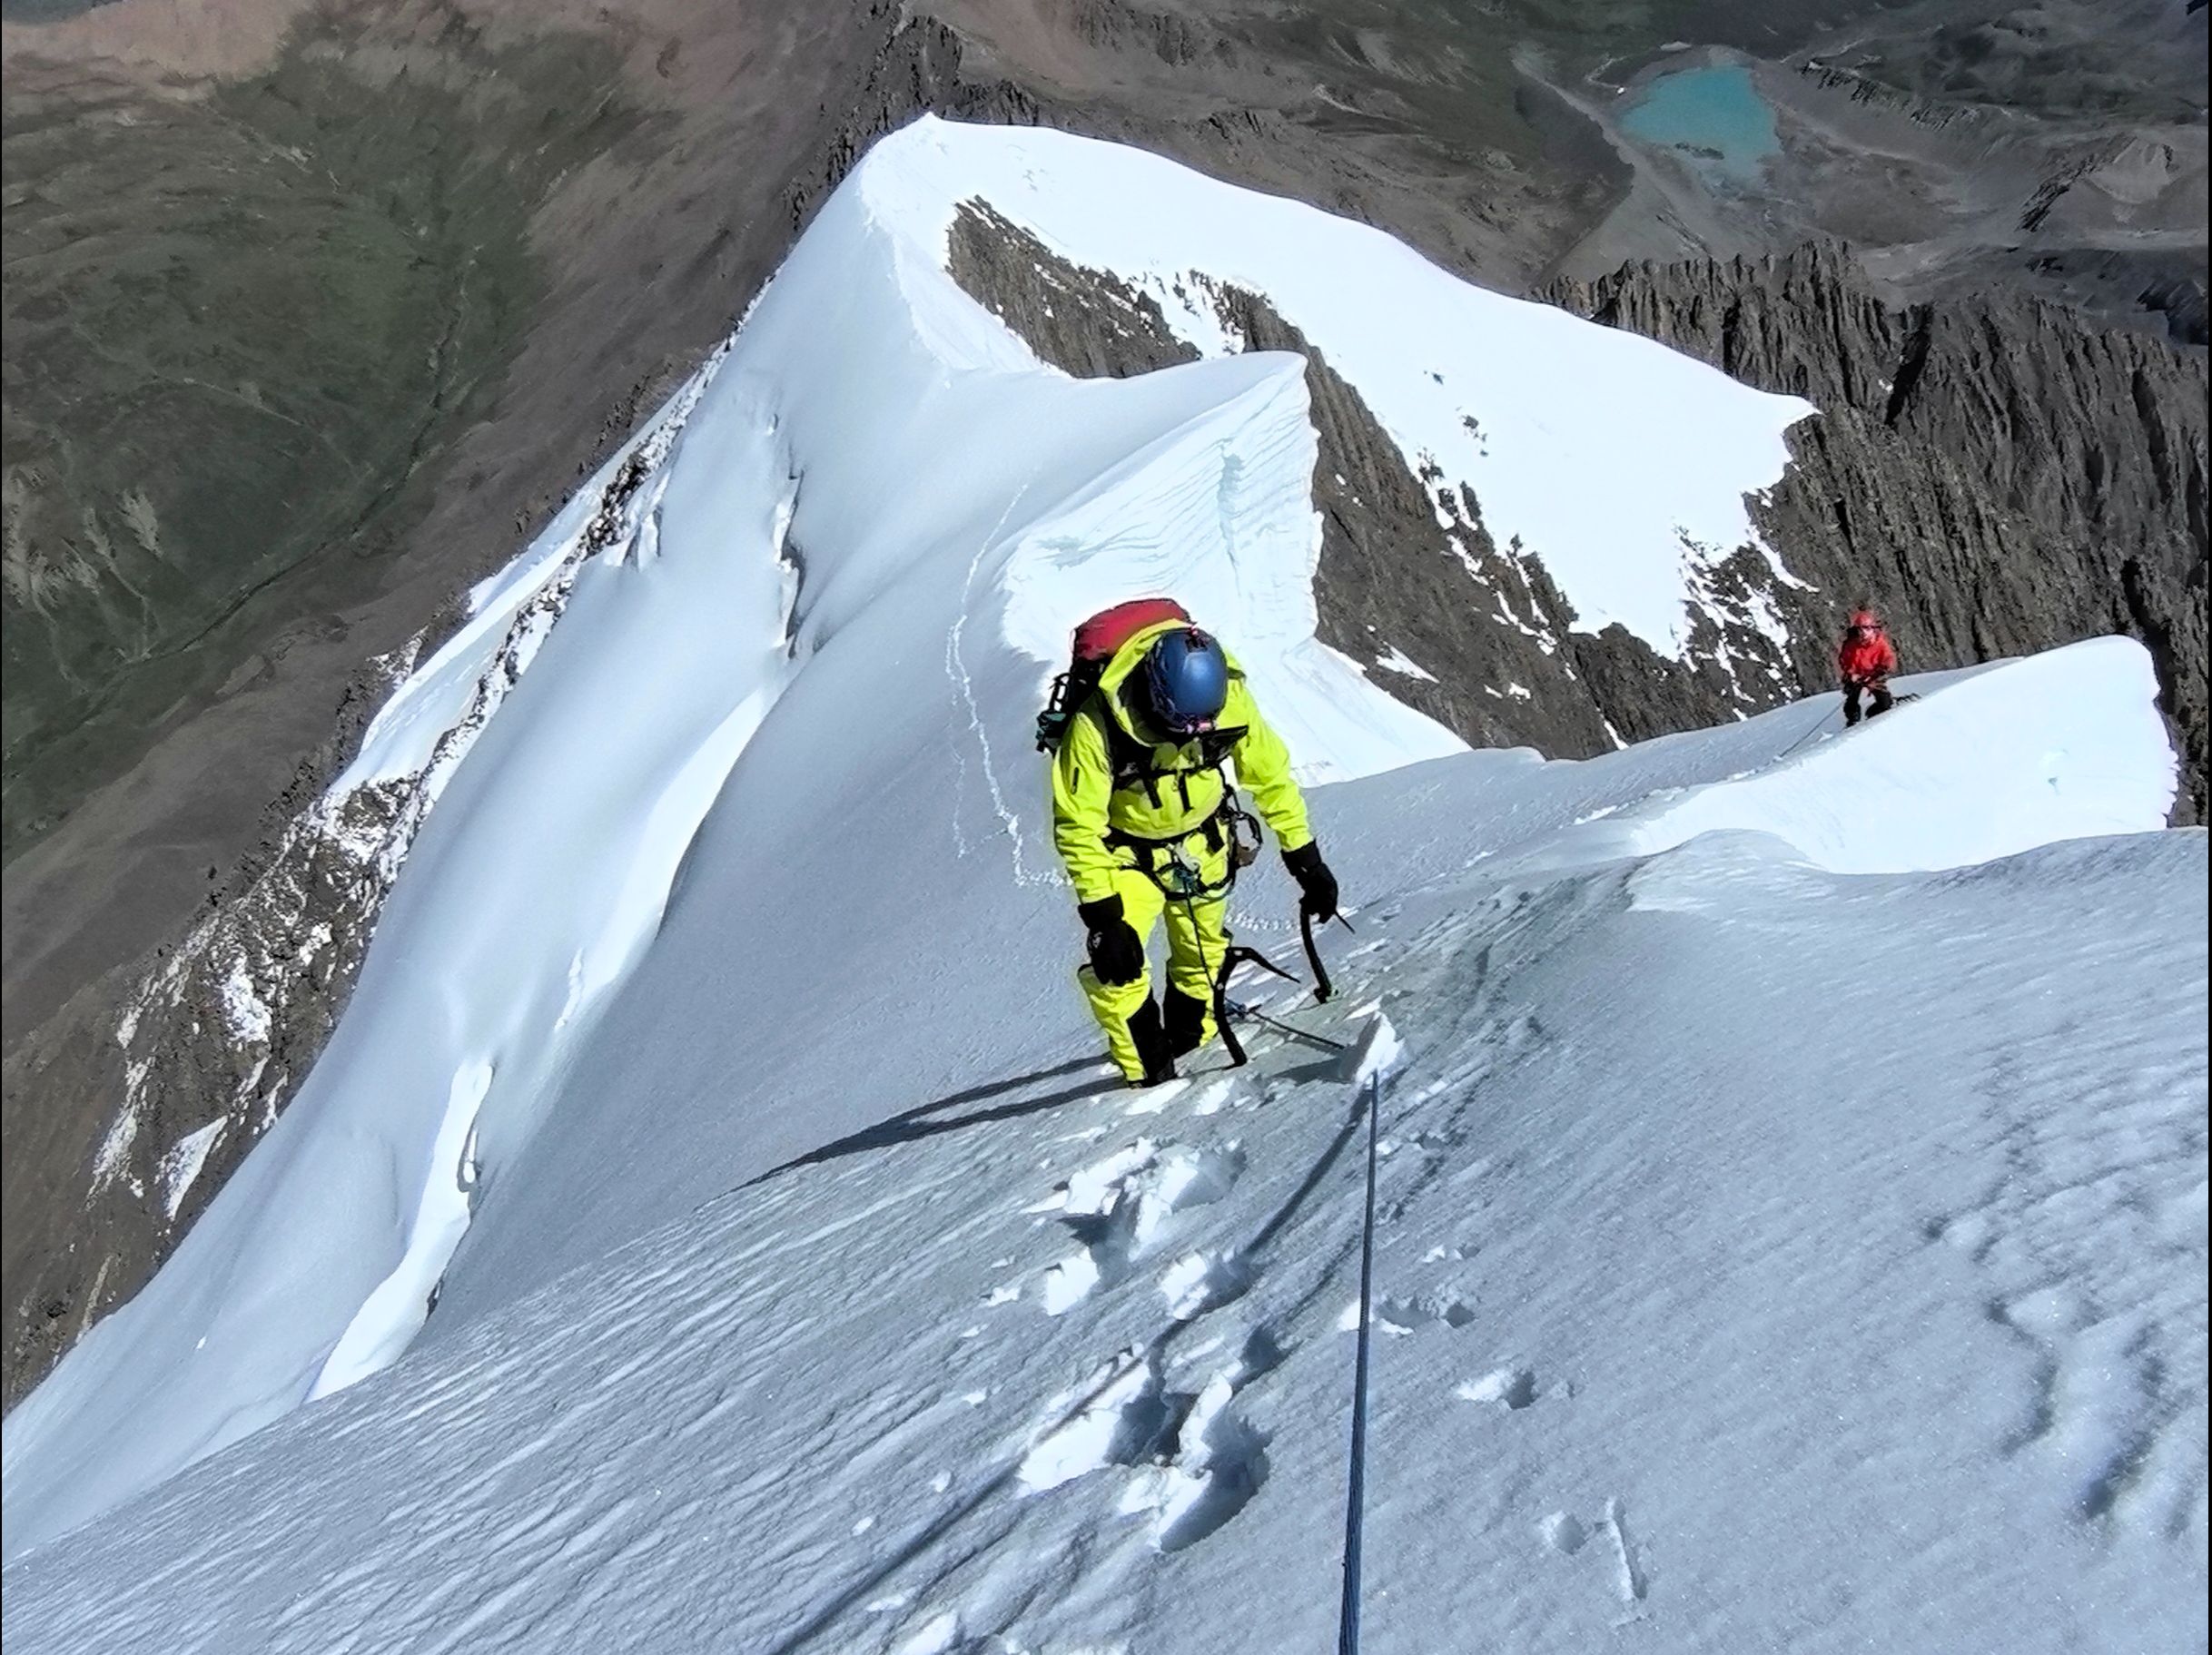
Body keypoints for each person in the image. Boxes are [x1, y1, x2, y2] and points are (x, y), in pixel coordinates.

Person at [1050, 615, 1337, 1087]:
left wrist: (1306, 859)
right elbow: (1078, 825)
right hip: (1126, 855)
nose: (1194, 735)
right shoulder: (1096, 726)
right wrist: (1104, 920)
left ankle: (1191, 1041)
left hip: (1204, 843)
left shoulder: (1231, 704)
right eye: (1180, 724)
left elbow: (1270, 777)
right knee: (1119, 968)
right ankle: (1148, 1073)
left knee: (1201, 954)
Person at [1837, 609, 1900, 727]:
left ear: (1873, 629)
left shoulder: (1880, 643)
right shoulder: (1851, 644)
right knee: (1851, 700)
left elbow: (1888, 660)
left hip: (1874, 675)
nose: (1863, 632)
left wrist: (1876, 673)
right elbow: (1844, 661)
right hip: (1857, 676)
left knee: (1885, 703)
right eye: (1860, 629)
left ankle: (1872, 716)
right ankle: (1853, 721)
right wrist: (1852, 674)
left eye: (1867, 628)